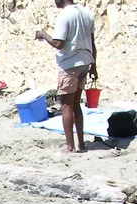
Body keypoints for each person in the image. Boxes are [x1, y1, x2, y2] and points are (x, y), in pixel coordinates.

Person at [36, 0, 97, 153]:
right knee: (76, 105)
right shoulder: (86, 13)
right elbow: (92, 43)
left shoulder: (64, 15)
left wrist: (43, 34)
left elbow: (58, 43)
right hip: (85, 61)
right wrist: (94, 66)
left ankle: (70, 146)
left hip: (70, 64)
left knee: (66, 106)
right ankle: (81, 144)